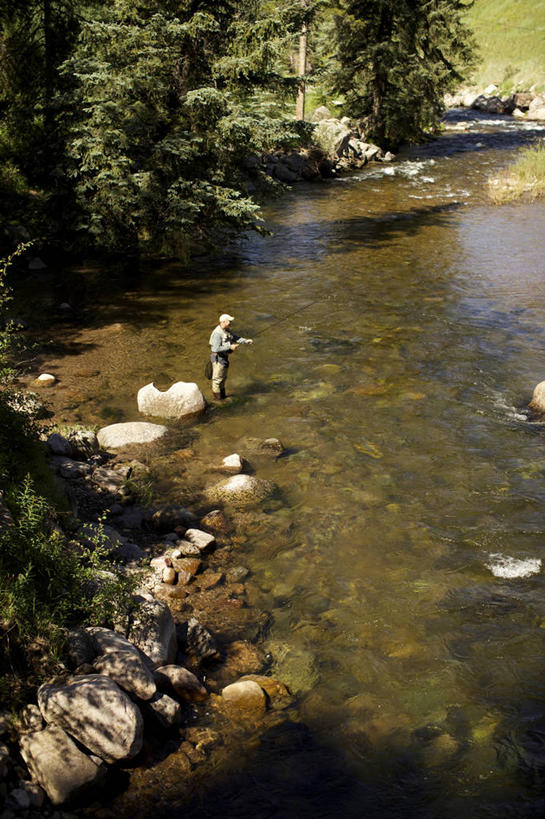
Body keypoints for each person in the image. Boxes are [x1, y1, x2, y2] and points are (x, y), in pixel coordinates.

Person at [208, 313, 253, 399]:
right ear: (223, 322)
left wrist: (245, 341)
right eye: (229, 321)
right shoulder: (217, 333)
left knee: (223, 378)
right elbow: (215, 349)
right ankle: (217, 399)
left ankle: (223, 397)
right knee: (217, 380)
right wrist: (230, 346)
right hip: (218, 359)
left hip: (223, 358)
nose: (231, 322)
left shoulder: (226, 330)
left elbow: (235, 338)